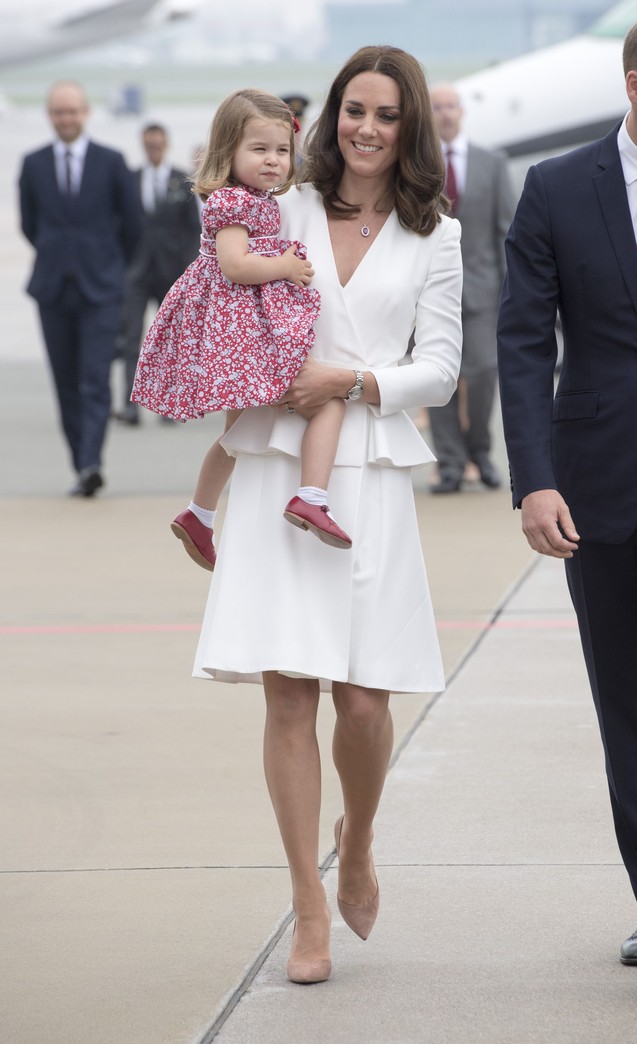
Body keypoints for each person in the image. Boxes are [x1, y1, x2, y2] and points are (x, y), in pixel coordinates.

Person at [191, 47, 462, 983]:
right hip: (277, 465)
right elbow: (221, 297)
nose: (367, 130)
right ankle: (308, 901)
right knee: (291, 691)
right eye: (354, 110)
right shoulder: (282, 208)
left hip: (369, 470)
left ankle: (363, 836)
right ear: (331, 116)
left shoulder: (437, 234)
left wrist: (347, 378)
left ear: (409, 125)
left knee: (363, 699)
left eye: (386, 115)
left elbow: (440, 368)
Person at [498, 15, 637, 966]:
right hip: (600, 490)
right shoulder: (555, 189)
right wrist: (534, 481)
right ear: (636, 85)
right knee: (629, 702)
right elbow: (521, 344)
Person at [131, 90, 351, 561]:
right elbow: (235, 266)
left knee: (238, 432)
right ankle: (311, 496)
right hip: (242, 334)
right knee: (329, 399)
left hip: (244, 328)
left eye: (281, 151)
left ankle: (200, 514)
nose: (273, 161)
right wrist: (286, 267)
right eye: (259, 149)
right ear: (228, 149)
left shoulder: (255, 198)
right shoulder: (232, 201)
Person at [18, 80, 142, 496]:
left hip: (101, 288)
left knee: (93, 378)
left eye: (72, 111)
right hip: (52, 287)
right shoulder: (33, 164)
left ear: (85, 113)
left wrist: (109, 265)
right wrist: (59, 255)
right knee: (65, 380)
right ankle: (81, 464)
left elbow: (134, 225)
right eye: (58, 112)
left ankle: (92, 461)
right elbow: (29, 225)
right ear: (50, 116)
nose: (66, 119)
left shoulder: (111, 161)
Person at [428, 82, 515, 493]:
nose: (445, 113)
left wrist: (511, 290)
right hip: (427, 289)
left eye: (451, 106)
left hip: (482, 288)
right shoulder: (418, 163)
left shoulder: (492, 162)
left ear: (461, 111)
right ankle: (450, 463)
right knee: (435, 376)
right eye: (437, 107)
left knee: (483, 372)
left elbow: (505, 231)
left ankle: (480, 450)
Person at [115, 123, 201, 426]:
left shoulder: (182, 181)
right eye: (148, 144)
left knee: (169, 342)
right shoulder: (129, 180)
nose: (153, 149)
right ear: (143, 144)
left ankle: (167, 405)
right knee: (131, 340)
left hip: (171, 273)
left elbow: (194, 231)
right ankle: (130, 407)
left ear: (165, 145)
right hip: (137, 272)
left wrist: (189, 273)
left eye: (158, 144)